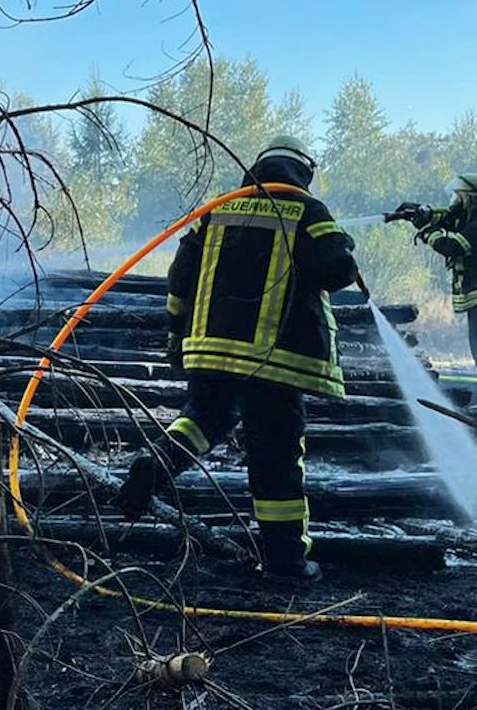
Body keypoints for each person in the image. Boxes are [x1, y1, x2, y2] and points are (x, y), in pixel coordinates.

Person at [116, 137, 359, 581]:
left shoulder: (218, 211)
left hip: (210, 350)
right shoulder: (307, 210)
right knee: (276, 454)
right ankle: (286, 560)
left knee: (203, 419)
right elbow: (337, 272)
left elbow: (179, 278)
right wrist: (343, 241)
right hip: (273, 361)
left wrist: (176, 336)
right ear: (302, 170)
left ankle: (154, 467)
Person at [399, 174, 477, 416]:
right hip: (475, 296)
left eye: (458, 195)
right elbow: (445, 216)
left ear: (468, 198)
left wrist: (427, 230)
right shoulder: (469, 217)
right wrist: (418, 211)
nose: (454, 200)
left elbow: (453, 246)